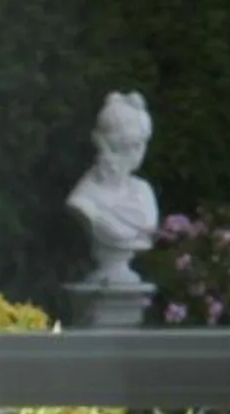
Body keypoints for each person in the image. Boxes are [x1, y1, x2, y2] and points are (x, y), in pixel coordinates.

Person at [67, 91, 160, 288]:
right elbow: (81, 208)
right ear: (106, 143)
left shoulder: (143, 191)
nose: (137, 153)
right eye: (132, 145)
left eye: (141, 145)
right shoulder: (83, 198)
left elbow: (148, 228)